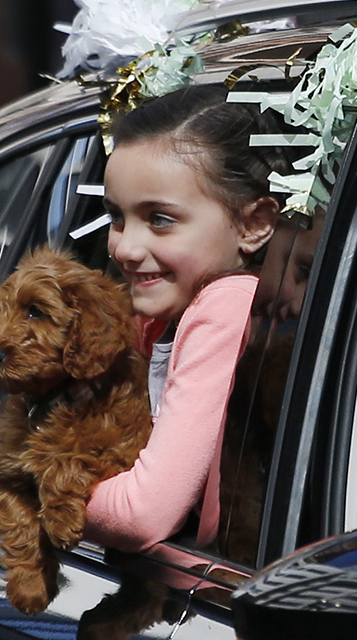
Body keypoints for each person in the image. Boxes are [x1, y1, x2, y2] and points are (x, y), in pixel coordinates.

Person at [81, 83, 282, 552]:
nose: (125, 248)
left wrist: (31, 497)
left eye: (160, 219)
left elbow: (140, 515)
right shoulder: (159, 313)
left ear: (254, 225)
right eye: (116, 217)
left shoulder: (226, 303)